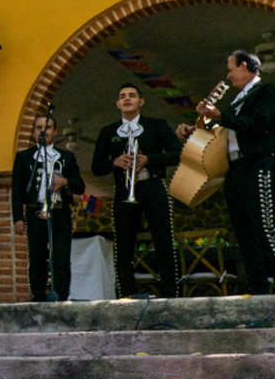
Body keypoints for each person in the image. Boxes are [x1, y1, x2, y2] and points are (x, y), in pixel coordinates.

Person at [179, 50, 275, 295]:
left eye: (231, 69)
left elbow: (259, 124)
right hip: (235, 167)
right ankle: (258, 285)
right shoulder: (237, 100)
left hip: (257, 163)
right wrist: (197, 128)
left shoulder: (267, 92)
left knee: (263, 225)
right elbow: (223, 133)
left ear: (244, 67)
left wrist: (220, 115)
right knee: (242, 229)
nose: (229, 75)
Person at [91, 83, 183, 298]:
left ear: (141, 102)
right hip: (124, 190)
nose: (127, 99)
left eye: (132, 95)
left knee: (163, 240)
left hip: (153, 186)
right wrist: (114, 161)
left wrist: (149, 159)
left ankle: (170, 294)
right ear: (117, 103)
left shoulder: (156, 125)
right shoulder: (108, 131)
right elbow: (96, 167)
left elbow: (178, 153)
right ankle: (127, 294)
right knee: (123, 244)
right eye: (122, 96)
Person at [11, 115, 85, 302]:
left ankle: (61, 294)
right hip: (35, 211)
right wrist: (18, 218)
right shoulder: (24, 157)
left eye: (48, 127)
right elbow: (17, 190)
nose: (44, 131)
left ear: (56, 131)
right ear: (34, 131)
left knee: (61, 256)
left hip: (60, 211)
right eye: (39, 127)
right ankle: (37, 294)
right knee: (36, 256)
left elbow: (80, 186)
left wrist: (65, 181)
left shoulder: (66, 157)